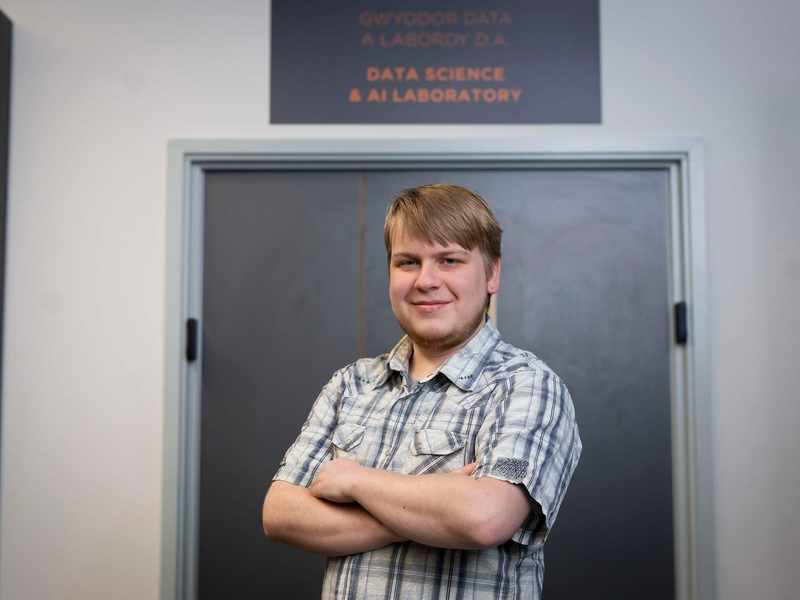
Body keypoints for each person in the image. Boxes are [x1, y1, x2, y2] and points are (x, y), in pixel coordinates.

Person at [262, 184, 581, 599]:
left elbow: (485, 518)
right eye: (407, 262)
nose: (426, 281)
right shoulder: (350, 385)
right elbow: (280, 513)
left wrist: (354, 482)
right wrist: (434, 512)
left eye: (449, 260)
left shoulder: (527, 385)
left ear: (492, 274)